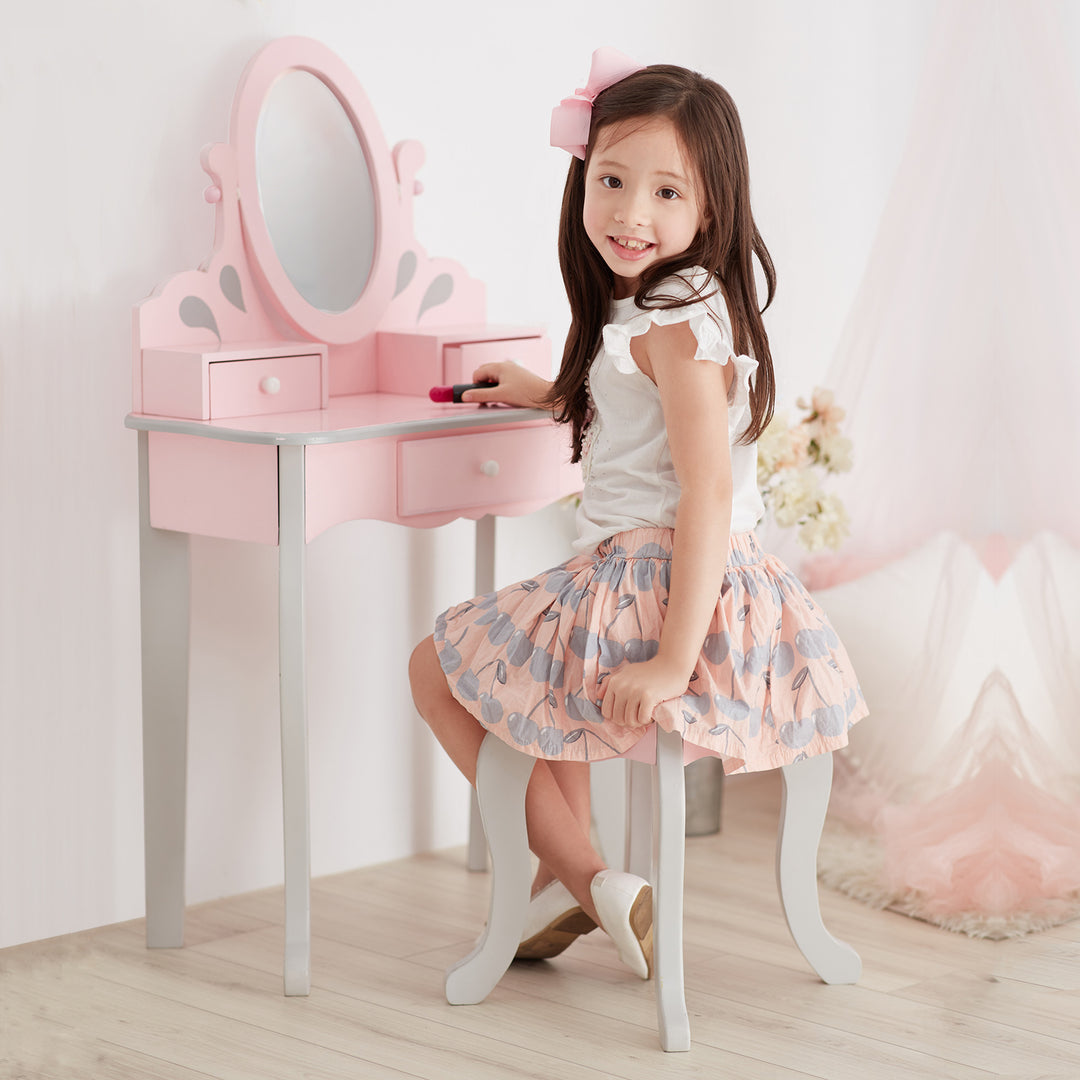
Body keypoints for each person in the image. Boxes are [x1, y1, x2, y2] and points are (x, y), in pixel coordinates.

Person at [409, 47, 870, 981]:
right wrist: (548, 392)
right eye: (612, 179)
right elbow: (642, 422)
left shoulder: (672, 319)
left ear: (711, 209)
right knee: (540, 683)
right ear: (582, 176)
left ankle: (587, 880)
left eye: (667, 193)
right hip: (672, 573)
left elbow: (705, 489)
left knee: (438, 668)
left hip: (660, 584)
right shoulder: (665, 307)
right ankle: (570, 888)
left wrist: (668, 659)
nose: (630, 213)